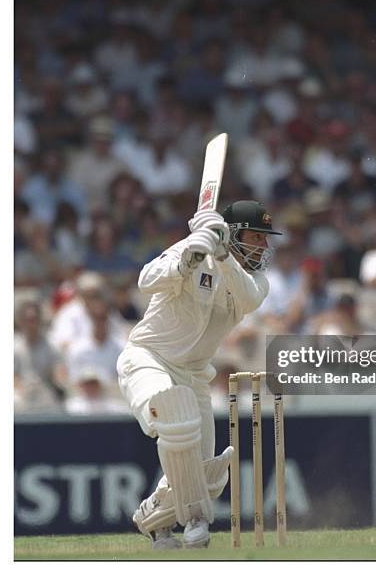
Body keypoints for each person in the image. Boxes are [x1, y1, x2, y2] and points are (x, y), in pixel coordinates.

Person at [116, 200, 281, 549]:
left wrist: (221, 256)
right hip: (149, 358)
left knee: (207, 473)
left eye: (267, 239)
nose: (264, 246)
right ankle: (195, 522)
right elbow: (145, 280)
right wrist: (185, 260)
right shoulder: (193, 247)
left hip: (194, 375)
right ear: (235, 234)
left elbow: (248, 299)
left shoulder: (257, 281)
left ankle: (154, 518)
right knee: (176, 419)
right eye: (257, 237)